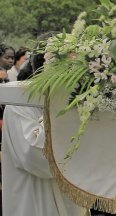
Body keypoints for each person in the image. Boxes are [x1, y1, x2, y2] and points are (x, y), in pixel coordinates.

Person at [2, 50, 83, 215]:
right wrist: (61, 109)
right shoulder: (19, 104)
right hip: (34, 201)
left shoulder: (74, 103)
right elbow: (34, 156)